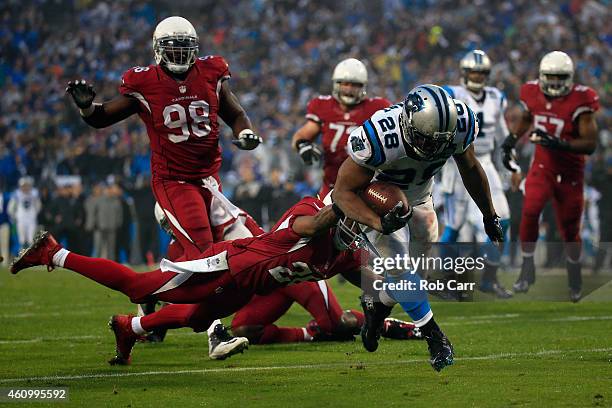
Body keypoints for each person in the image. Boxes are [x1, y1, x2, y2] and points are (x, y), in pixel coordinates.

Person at [11, 193, 454, 372]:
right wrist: (348, 207)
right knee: (141, 286)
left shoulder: (346, 249)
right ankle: (54, 251)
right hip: (227, 266)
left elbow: (382, 283)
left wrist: (388, 315)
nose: (351, 233)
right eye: (350, 222)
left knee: (195, 319)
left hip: (246, 288)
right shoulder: (311, 217)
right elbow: (314, 221)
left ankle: (130, 330)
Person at [65, 16, 261, 357]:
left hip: (208, 182)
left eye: (186, 48)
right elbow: (104, 116)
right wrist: (86, 108)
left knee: (232, 247)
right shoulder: (146, 83)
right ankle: (215, 334)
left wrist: (243, 133)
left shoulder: (211, 73)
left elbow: (235, 112)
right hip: (174, 182)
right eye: (174, 48)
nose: (181, 55)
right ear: (159, 50)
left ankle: (146, 304)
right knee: (205, 256)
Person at [333, 84, 504, 278]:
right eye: (427, 140)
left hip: (421, 195)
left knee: (420, 273)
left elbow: (471, 169)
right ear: (407, 123)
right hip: (378, 199)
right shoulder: (381, 136)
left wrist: (489, 215)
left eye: (441, 142)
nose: (434, 149)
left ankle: (378, 305)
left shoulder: (461, 124)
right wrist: (377, 222)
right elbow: (342, 192)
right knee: (399, 272)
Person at [501, 51, 600, 302]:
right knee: (530, 209)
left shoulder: (582, 99)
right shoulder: (531, 92)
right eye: (551, 77)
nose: (555, 83)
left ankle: (574, 277)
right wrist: (511, 139)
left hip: (570, 172)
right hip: (543, 166)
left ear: (569, 78)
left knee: (569, 229)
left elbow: (589, 143)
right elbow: (526, 117)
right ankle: (527, 268)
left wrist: (559, 143)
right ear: (542, 77)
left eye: (560, 78)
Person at [439, 50, 513, 298]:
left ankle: (489, 280)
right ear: (464, 73)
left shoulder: (496, 97)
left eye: (482, 73)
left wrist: (512, 167)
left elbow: (503, 138)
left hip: (485, 162)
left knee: (502, 219)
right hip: (456, 162)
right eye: (473, 72)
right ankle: (447, 282)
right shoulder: (452, 94)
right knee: (454, 226)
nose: (478, 77)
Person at [291, 58, 391, 198]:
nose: (349, 89)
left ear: (363, 86)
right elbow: (303, 134)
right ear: (336, 84)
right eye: (345, 84)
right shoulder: (322, 106)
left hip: (367, 185)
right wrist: (303, 146)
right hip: (332, 184)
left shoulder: (376, 108)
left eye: (354, 85)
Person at [8, 177, 41, 251]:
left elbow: (38, 206)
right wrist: (14, 217)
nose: (25, 187)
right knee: (22, 240)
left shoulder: (34, 193)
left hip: (31, 219)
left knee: (31, 240)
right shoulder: (17, 194)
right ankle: (22, 258)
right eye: (24, 185)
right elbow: (10, 208)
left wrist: (34, 214)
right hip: (21, 219)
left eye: (27, 185)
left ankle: (31, 258)